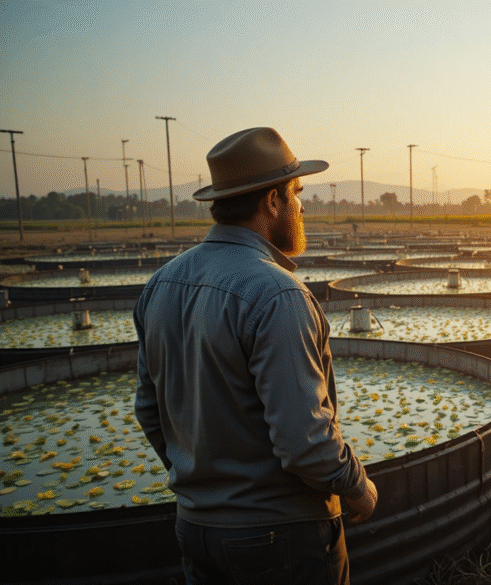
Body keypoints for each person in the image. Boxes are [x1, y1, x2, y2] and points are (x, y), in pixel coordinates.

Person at [134, 127, 376, 585]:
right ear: (272, 201)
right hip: (281, 536)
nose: (302, 207)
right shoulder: (278, 294)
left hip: (196, 531)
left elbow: (149, 410)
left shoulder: (160, 285)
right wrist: (356, 485)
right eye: (296, 193)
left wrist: (203, 486)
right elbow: (304, 440)